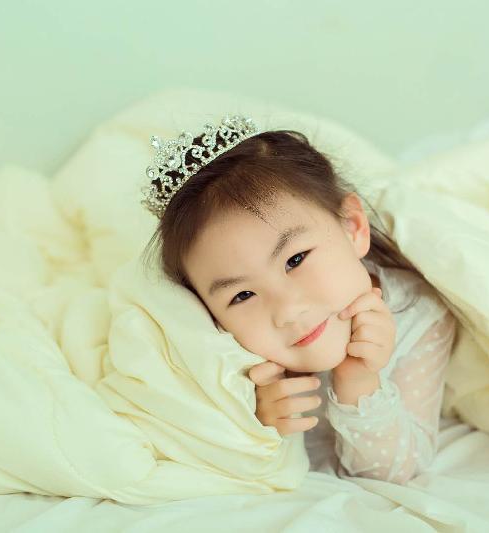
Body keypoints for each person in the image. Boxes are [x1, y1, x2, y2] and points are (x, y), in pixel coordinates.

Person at [141, 114, 458, 485]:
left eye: (295, 260)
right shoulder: (230, 355)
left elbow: (396, 470)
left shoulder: (417, 313)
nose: (288, 311)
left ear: (353, 228)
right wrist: (256, 424)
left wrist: (359, 381)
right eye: (242, 295)